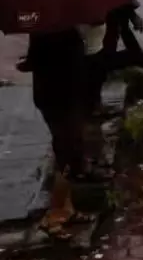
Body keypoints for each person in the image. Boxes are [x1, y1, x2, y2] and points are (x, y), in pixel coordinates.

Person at [28, 28, 95, 240]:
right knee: (66, 149)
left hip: (65, 96)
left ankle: (67, 208)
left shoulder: (60, 29)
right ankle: (54, 215)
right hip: (57, 98)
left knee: (71, 149)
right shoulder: (51, 33)